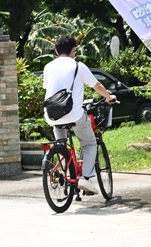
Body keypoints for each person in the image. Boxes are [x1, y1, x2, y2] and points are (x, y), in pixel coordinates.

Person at [43, 35, 116, 195]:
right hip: (74, 115)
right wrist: (109, 97)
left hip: (52, 116)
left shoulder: (48, 67)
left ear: (56, 51)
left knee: (61, 145)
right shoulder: (78, 66)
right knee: (90, 144)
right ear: (73, 50)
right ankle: (85, 178)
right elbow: (97, 85)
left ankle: (64, 167)